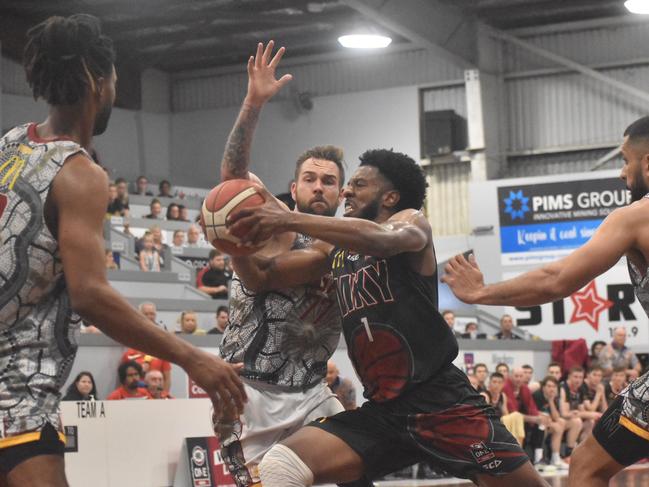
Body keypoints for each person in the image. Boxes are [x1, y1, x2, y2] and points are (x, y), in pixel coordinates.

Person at [0, 14, 245, 487]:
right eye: (114, 79)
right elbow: (90, 295)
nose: (114, 90)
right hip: (17, 396)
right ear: (97, 78)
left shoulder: (10, 143)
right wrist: (193, 358)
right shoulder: (78, 172)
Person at [227, 150, 547, 485]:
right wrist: (234, 244)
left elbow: (383, 241)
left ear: (390, 196)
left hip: (442, 403)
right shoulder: (332, 248)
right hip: (384, 411)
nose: (347, 192)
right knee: (282, 465)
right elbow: (262, 277)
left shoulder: (411, 221)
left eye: (359, 185)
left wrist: (288, 219)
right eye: (348, 185)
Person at [443, 117, 649, 487]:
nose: (621, 173)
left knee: (587, 465)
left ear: (648, 163)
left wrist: (481, 293)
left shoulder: (636, 217)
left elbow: (556, 279)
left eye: (625, 160)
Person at [211, 41, 350, 487]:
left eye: (329, 182)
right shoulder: (274, 224)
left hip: (312, 393)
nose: (319, 187)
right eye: (309, 179)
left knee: (358, 473)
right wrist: (253, 103)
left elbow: (315, 258)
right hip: (251, 391)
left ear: (341, 195)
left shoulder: (343, 240)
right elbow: (234, 174)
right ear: (293, 187)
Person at [559, 367, 601, 457]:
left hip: (570, 418)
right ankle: (568, 454)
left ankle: (583, 452)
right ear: (569, 377)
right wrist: (592, 414)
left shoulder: (580, 389)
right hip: (559, 419)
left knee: (590, 422)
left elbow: (581, 410)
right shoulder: (563, 388)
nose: (578, 380)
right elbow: (564, 414)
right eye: (575, 377)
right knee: (577, 422)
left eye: (580, 377)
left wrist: (591, 415)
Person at [531, 377, 569, 470]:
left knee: (560, 423)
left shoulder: (554, 396)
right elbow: (534, 412)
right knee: (543, 423)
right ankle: (538, 459)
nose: (551, 389)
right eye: (549, 386)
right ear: (543, 387)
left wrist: (551, 401)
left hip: (548, 422)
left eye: (553, 386)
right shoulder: (537, 395)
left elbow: (556, 417)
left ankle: (555, 458)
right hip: (534, 424)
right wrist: (548, 419)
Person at [481, 372, 526, 447]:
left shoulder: (503, 396)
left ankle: (518, 447)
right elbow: (484, 417)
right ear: (489, 383)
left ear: (503, 385)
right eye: (494, 382)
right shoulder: (485, 396)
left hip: (501, 423)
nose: (497, 385)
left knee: (517, 416)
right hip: (489, 424)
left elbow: (506, 414)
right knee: (516, 415)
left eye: (499, 382)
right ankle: (516, 447)